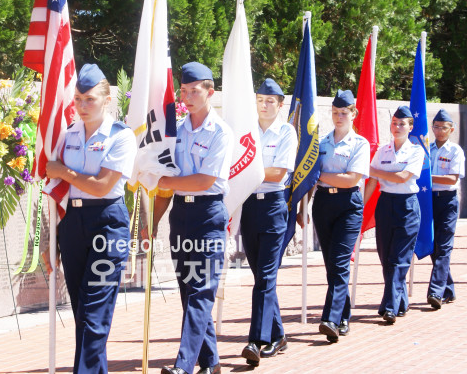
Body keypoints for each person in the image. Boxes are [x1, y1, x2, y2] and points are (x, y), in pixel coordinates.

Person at [45, 63, 137, 373]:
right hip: (72, 224)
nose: (82, 106)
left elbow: (101, 186)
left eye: (90, 99)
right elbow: (58, 191)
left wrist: (64, 171)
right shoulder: (67, 134)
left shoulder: (120, 136)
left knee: (95, 311)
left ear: (107, 100)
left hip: (106, 224)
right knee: (82, 311)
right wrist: (52, 237)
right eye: (78, 99)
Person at [156, 62, 233, 374]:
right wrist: (151, 222)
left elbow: (204, 180)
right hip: (181, 215)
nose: (187, 97)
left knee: (201, 291)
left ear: (210, 92)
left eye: (194, 91)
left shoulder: (221, 132)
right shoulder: (176, 130)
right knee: (190, 290)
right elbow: (164, 178)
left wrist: (167, 183)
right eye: (183, 91)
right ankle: (211, 363)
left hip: (208, 214)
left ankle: (184, 366)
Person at [239, 79, 297, 367]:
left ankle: (256, 341)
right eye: (260, 99)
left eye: (270, 100)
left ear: (280, 104)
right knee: (260, 276)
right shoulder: (246, 131)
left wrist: (248, 172)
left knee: (265, 277)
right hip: (249, 206)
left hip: (274, 208)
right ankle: (278, 334)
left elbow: (278, 174)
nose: (264, 104)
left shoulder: (286, 132)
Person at [311, 90, 370, 342]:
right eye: (335, 112)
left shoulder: (360, 144)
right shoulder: (322, 142)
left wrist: (319, 176)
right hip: (323, 203)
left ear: (353, 113)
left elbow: (351, 180)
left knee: (339, 262)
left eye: (343, 113)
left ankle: (331, 319)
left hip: (348, 205)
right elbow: (310, 176)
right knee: (332, 265)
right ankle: (344, 316)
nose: (338, 117)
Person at [364, 106, 425, 324]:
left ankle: (389, 305)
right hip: (386, 203)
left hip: (407, 205)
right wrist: (360, 206)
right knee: (385, 255)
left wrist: (377, 172)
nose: (397, 127)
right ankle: (399, 301)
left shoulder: (416, 151)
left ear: (410, 127)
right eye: (394, 123)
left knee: (398, 258)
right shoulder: (383, 150)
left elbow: (402, 177)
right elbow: (372, 181)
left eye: (402, 124)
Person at [427, 109, 465, 309]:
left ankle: (436, 291)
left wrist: (427, 178)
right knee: (433, 246)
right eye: (436, 127)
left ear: (451, 129)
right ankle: (447, 288)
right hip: (429, 200)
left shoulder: (455, 151)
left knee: (444, 245)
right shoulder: (428, 148)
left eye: (444, 128)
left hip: (447, 200)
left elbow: (452, 178)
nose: (439, 131)